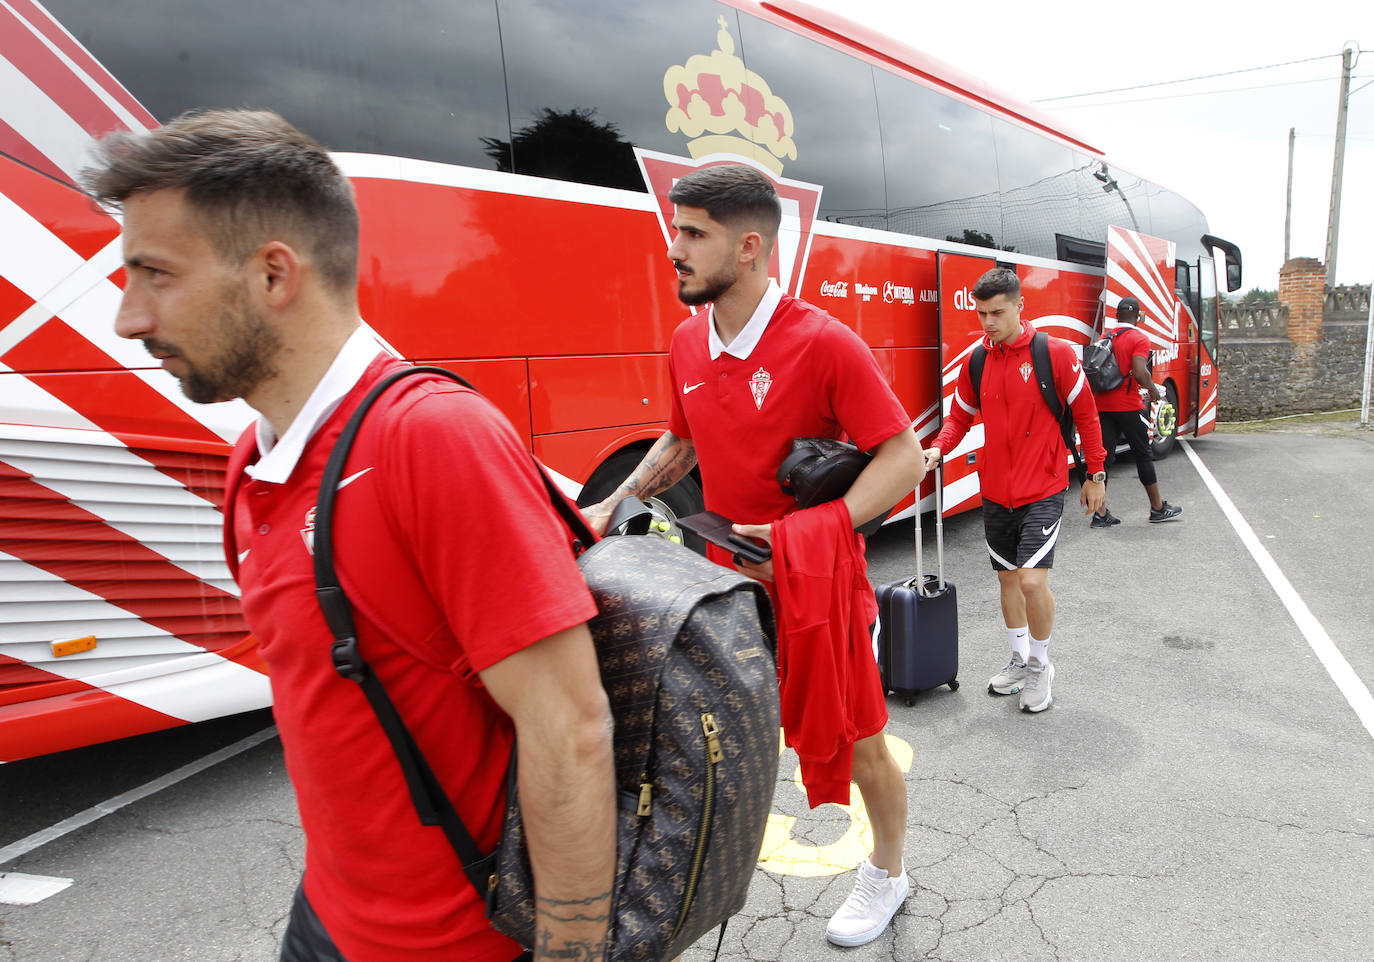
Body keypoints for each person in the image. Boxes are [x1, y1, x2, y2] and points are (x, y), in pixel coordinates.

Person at [83, 109, 615, 962]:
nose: (129, 318)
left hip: (457, 946)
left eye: (155, 274)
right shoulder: (252, 458)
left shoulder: (429, 441)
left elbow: (571, 729)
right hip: (326, 919)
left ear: (272, 276)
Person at [582, 163, 924, 948]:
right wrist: (612, 502)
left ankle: (889, 873)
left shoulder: (823, 342)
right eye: (676, 231)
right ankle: (689, 883)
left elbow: (904, 457)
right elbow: (683, 437)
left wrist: (818, 528)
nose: (675, 250)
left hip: (816, 583)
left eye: (693, 234)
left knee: (862, 741)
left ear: (747, 247)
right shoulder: (684, 342)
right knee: (705, 743)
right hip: (723, 596)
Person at [922, 268, 1107, 714]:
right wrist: (937, 449)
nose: (988, 322)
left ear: (1021, 306)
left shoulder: (1055, 354)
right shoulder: (977, 361)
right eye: (982, 313)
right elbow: (959, 417)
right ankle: (1020, 659)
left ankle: (1042, 665)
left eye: (997, 312)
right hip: (996, 491)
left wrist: (1096, 475)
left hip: (1043, 486)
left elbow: (1087, 415)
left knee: (1030, 579)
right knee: (1007, 579)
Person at [1089, 296, 1183, 527]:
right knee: (1143, 454)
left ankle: (1100, 513)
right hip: (1128, 405)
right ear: (1138, 317)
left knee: (1105, 458)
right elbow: (1140, 371)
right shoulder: (1139, 338)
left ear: (1117, 315)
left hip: (1102, 404)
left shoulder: (1106, 336)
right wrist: (1153, 391)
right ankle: (1158, 508)